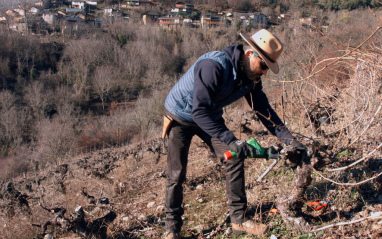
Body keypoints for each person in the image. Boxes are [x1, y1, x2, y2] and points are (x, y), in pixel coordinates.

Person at [163, 29, 307, 239]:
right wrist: (231, 140)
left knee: (234, 157)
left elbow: (263, 110)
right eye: (264, 65)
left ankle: (239, 220)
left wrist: (291, 140)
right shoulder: (213, 66)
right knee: (177, 174)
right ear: (250, 55)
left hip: (208, 115)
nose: (265, 72)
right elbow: (198, 111)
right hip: (181, 117)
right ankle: (171, 230)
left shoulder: (251, 76)